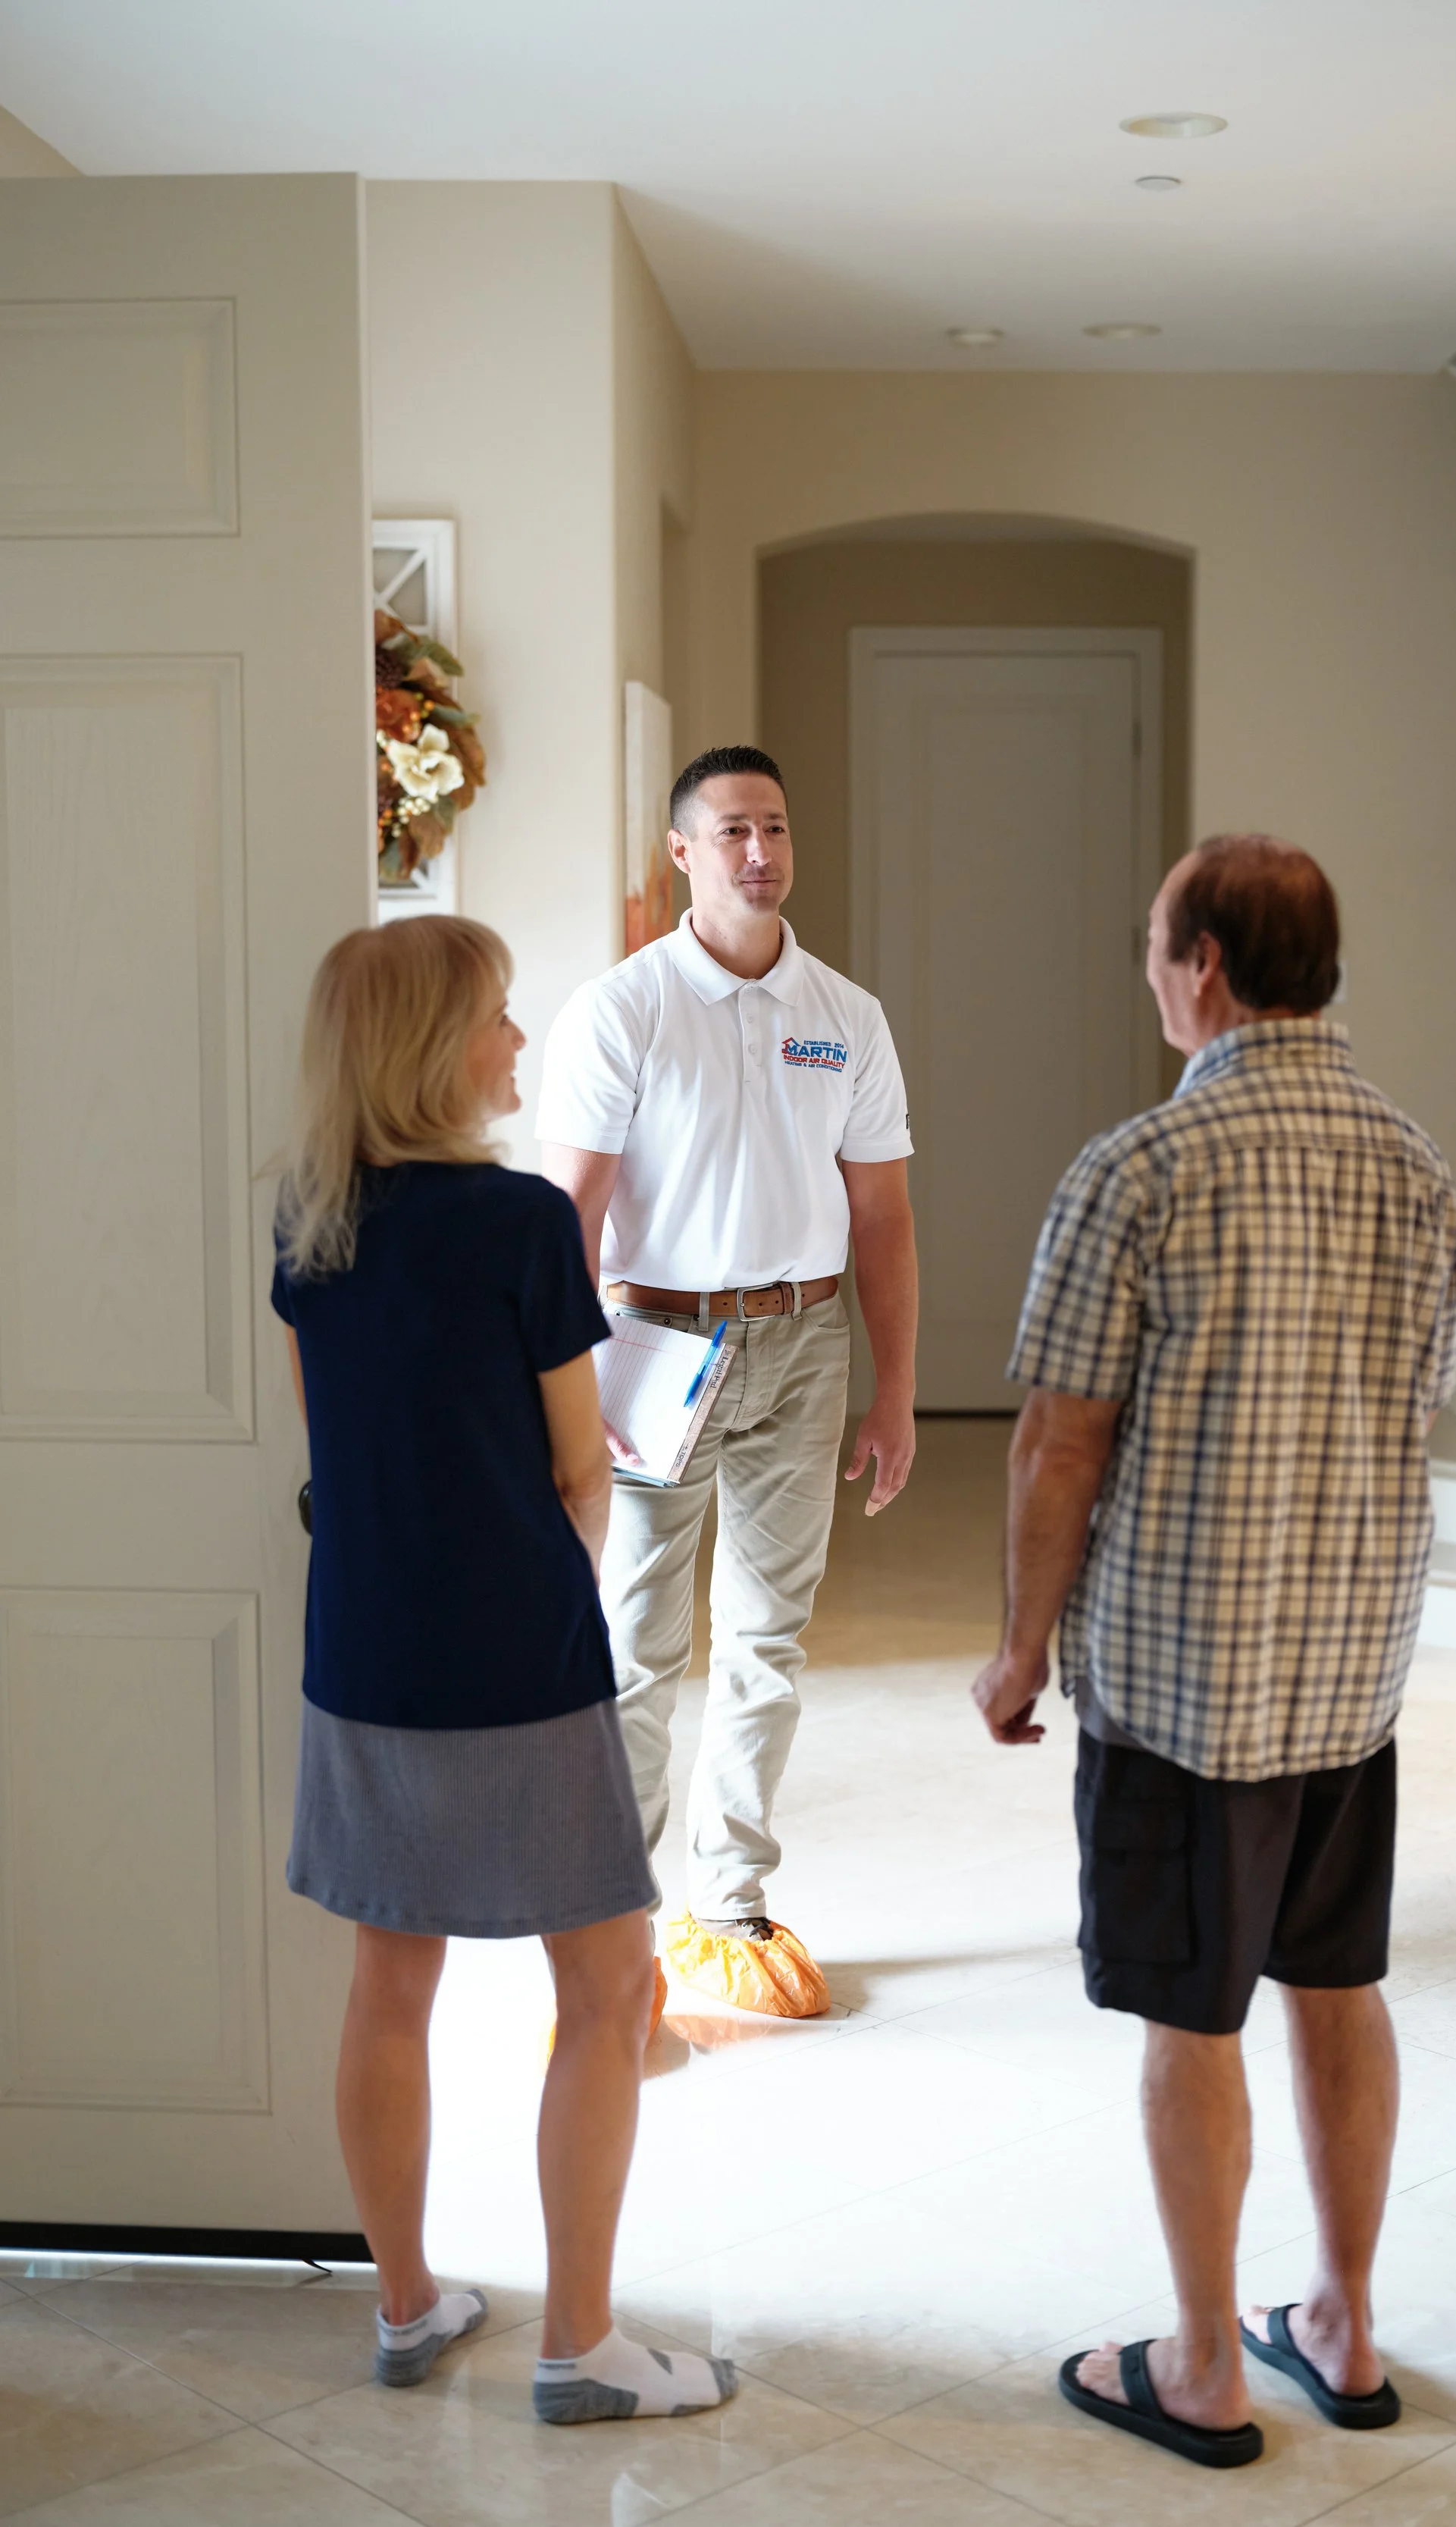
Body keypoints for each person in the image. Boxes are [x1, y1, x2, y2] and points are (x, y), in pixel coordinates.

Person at [972, 837, 1456, 2472]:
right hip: (1350, 1670)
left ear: (1200, 969)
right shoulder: (1416, 1163)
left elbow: (1057, 1442)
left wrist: (1018, 1646)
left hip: (1186, 1685)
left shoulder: (1138, 1169)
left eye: (1151, 943)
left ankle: (1196, 2361)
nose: (1147, 966)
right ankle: (1341, 2316)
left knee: (1190, 2015)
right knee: (1337, 1985)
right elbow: (1414, 1398)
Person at [273, 914, 736, 2427]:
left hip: (361, 1643)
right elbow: (573, 1468)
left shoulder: (307, 1218)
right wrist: (572, 1533)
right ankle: (580, 2344)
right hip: (516, 1656)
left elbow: (331, 1450)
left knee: (385, 1985)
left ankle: (406, 2308)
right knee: (606, 1986)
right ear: (426, 1048)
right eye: (495, 1017)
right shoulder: (523, 1222)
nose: (517, 1045)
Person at [540, 745, 918, 2018]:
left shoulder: (844, 1017)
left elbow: (886, 1219)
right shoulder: (624, 1010)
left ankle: (732, 1905)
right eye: (733, 831)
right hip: (650, 1348)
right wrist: (560, 1394)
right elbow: (569, 1221)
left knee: (768, 1636)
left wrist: (896, 1390)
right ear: (683, 854)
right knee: (639, 1644)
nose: (760, 851)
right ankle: (616, 1920)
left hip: (806, 1345)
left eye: (776, 826)